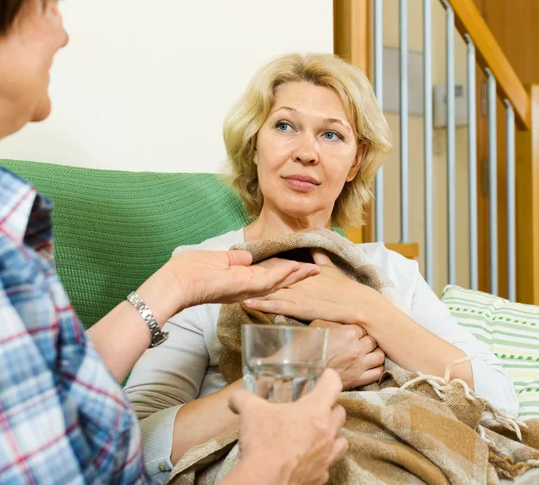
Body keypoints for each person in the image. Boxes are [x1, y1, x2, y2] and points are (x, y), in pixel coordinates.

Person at [0, 0, 349, 484]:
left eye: (332, 135)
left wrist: (172, 285)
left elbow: (36, 395)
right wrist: (272, 469)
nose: (63, 34)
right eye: (50, 4)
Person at [124, 52, 520, 480]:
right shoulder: (201, 271)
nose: (307, 152)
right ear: (253, 144)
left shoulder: (391, 270)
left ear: (356, 161)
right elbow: (135, 444)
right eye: (284, 126)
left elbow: (500, 401)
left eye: (332, 135)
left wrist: (365, 307)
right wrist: (299, 369)